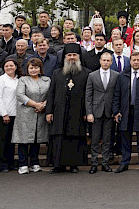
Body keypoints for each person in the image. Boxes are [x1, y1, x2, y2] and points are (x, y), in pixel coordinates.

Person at [46, 43, 90, 173]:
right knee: (58, 137)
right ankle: (57, 165)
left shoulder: (86, 73)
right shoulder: (57, 73)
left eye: (74, 55)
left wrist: (86, 112)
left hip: (78, 112)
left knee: (74, 137)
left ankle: (73, 164)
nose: (72, 58)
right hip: (59, 111)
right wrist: (49, 111)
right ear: (65, 57)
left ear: (79, 57)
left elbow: (88, 95)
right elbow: (51, 93)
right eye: (69, 55)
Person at [12, 58, 50, 174]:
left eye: (36, 67)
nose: (34, 70)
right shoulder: (23, 80)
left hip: (40, 113)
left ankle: (34, 163)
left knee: (36, 139)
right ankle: (23, 164)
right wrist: (35, 105)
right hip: (26, 113)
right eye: (31, 68)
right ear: (27, 69)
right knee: (24, 139)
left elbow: (52, 94)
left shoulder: (46, 80)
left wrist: (43, 105)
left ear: (40, 69)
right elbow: (20, 95)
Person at [86, 52, 119, 174]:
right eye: (104, 60)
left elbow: (117, 95)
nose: (105, 62)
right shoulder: (92, 75)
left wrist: (116, 111)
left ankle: (105, 163)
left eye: (108, 60)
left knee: (106, 139)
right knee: (95, 139)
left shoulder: (116, 75)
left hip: (109, 112)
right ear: (100, 61)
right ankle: (94, 163)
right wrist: (89, 112)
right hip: (96, 112)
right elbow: (88, 95)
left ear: (111, 62)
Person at [0, 58, 20, 172]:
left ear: (16, 67)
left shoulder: (18, 80)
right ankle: (1, 164)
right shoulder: (0, 80)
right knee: (2, 140)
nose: (9, 68)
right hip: (3, 114)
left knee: (11, 141)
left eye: (11, 65)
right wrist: (4, 113)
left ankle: (10, 162)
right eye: (6, 66)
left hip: (16, 114)